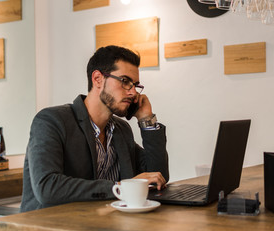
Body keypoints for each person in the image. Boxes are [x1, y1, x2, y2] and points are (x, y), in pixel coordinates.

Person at [20, 45, 169, 212]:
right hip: (49, 229)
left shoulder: (120, 129)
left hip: (101, 226)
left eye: (135, 85)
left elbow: (158, 177)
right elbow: (47, 188)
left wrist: (147, 120)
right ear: (98, 79)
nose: (133, 92)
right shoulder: (51, 121)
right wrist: (119, 188)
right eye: (125, 82)